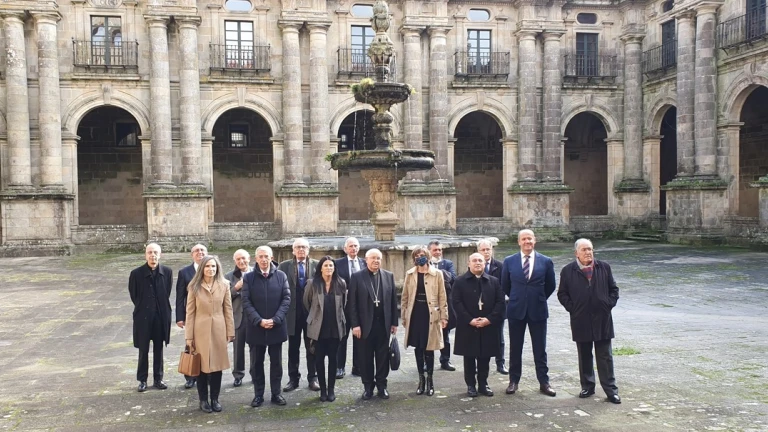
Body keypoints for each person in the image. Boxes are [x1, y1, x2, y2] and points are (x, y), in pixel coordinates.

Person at [557, 239, 621, 404]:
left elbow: (614, 289)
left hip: (602, 319)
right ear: (576, 253)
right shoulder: (568, 271)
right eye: (584, 250)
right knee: (584, 355)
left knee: (605, 356)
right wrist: (573, 308)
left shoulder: (604, 267)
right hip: (581, 319)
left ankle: (611, 390)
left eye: (590, 249)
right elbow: (562, 293)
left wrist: (607, 305)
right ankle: (587, 386)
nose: (588, 252)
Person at [501, 229, 557, 397]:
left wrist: (537, 298)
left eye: (530, 239)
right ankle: (513, 381)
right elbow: (505, 285)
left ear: (535, 240)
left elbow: (551, 285)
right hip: (516, 310)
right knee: (515, 348)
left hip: (538, 310)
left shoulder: (546, 261)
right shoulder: (509, 261)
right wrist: (518, 298)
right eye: (524, 239)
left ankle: (544, 382)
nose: (527, 242)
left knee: (540, 348)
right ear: (519, 242)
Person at [185, 255, 235, 413]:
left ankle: (215, 398)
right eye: (207, 266)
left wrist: (230, 331)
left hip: (219, 329)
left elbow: (228, 309)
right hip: (199, 330)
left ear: (217, 268)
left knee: (217, 366)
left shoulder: (224, 285)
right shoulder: (194, 286)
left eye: (213, 266)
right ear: (202, 268)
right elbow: (190, 313)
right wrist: (189, 336)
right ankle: (203, 400)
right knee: (201, 366)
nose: (210, 269)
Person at [243, 246, 291, 407]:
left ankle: (276, 394)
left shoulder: (281, 275)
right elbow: (246, 301)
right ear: (256, 259)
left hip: (276, 327)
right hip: (256, 328)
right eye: (261, 257)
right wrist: (259, 320)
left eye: (266, 256)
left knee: (276, 363)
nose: (264, 259)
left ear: (271, 258)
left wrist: (275, 319)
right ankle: (258, 395)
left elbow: (286, 299)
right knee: (256, 364)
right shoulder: (248, 278)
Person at [453, 253, 505, 397]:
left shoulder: (493, 281)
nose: (477, 263)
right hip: (468, 325)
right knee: (469, 357)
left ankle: (483, 383)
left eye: (480, 261)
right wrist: (469, 320)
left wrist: (489, 319)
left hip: (487, 325)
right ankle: (471, 385)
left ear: (484, 263)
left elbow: (500, 302)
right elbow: (456, 302)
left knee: (485, 357)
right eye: (474, 260)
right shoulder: (460, 281)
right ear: (468, 263)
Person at [349, 248, 398, 400]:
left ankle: (382, 386)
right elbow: (352, 303)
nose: (376, 261)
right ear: (366, 260)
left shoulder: (388, 276)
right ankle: (368, 387)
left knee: (383, 357)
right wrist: (355, 325)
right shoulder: (357, 277)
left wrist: (394, 322)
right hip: (364, 326)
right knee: (365, 358)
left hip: (383, 324)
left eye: (378, 258)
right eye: (373, 258)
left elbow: (393, 301)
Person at [402, 246, 448, 396]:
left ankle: (430, 380)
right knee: (418, 347)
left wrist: (444, 316)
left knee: (429, 348)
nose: (419, 258)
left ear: (427, 257)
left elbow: (442, 296)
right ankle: (421, 380)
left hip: (430, 314)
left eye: (421, 255)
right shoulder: (410, 274)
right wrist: (404, 316)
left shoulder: (437, 274)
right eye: (416, 256)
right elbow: (405, 297)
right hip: (415, 313)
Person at [128, 243, 173, 393]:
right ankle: (142, 380)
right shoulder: (136, 274)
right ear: (145, 255)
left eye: (155, 252)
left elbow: (166, 292)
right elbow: (134, 295)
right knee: (143, 349)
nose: (152, 255)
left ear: (160, 255)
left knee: (159, 348)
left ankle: (158, 379)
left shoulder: (167, 272)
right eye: (150, 252)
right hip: (143, 317)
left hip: (160, 317)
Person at [303, 256, 347, 402]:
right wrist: (315, 317)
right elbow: (307, 302)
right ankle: (323, 390)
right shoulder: (313, 283)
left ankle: (331, 390)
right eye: (326, 265)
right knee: (319, 360)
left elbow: (343, 304)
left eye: (331, 265)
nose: (329, 268)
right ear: (320, 268)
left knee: (333, 360)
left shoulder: (340, 283)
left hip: (335, 327)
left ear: (334, 268)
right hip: (318, 328)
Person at [278, 238, 320, 392]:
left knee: (312, 347)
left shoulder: (317, 265)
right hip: (292, 313)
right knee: (293, 348)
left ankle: (313, 378)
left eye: (304, 247)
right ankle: (293, 379)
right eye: (298, 247)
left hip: (311, 314)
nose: (301, 250)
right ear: (293, 250)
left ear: (308, 250)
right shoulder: (284, 266)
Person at [176, 243, 207, 389]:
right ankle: (190, 376)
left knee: (207, 345)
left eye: (202, 250)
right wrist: (179, 317)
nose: (200, 252)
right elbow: (180, 296)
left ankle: (206, 373)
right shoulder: (184, 272)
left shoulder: (212, 269)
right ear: (192, 254)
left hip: (207, 315)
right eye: (196, 250)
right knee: (191, 345)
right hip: (191, 315)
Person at [333, 237, 366, 379]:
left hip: (361, 307)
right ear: (345, 249)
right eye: (351, 246)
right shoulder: (337, 263)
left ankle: (357, 366)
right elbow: (332, 282)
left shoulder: (365, 263)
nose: (354, 248)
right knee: (342, 337)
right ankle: (339, 367)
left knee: (359, 337)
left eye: (356, 246)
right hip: (344, 306)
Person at [478, 239, 508, 375]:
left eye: (488, 249)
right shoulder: (475, 265)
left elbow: (504, 286)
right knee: (479, 337)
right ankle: (480, 364)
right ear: (478, 251)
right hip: (479, 307)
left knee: (499, 337)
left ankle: (500, 363)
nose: (486, 252)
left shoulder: (500, 266)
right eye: (483, 250)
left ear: (492, 250)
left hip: (497, 306)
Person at [428, 240, 457, 372]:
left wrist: (436, 272)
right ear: (429, 251)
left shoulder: (448, 263)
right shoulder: (425, 263)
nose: (438, 252)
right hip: (429, 303)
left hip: (444, 302)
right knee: (428, 334)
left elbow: (452, 278)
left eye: (439, 250)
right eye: (435, 250)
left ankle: (445, 360)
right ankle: (427, 361)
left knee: (445, 334)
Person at [225, 249, 252, 387]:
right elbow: (225, 298)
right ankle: (238, 375)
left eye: (243, 258)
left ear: (249, 258)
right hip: (238, 317)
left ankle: (255, 373)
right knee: (238, 349)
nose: (241, 261)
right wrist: (236, 287)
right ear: (235, 261)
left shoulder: (256, 272)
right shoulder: (229, 276)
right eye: (238, 259)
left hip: (254, 317)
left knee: (255, 348)